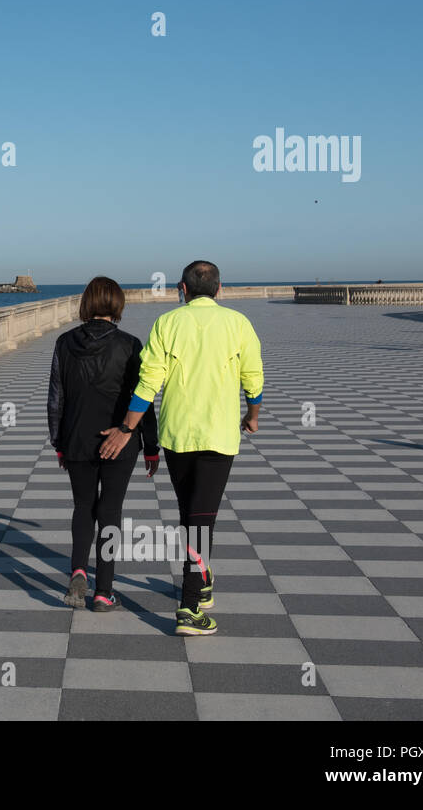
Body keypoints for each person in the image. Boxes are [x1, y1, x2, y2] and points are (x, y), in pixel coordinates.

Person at [97, 261, 264, 636]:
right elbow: (254, 379)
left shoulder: (167, 324)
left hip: (178, 436)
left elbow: (147, 384)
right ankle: (189, 608)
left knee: (194, 513)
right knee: (200, 517)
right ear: (220, 289)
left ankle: (201, 580)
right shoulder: (239, 324)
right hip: (218, 437)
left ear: (182, 289)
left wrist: (128, 426)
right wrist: (253, 415)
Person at [48, 276, 159, 611]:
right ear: (117, 304)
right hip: (121, 441)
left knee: (83, 507)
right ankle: (103, 591)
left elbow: (56, 399)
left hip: (77, 439)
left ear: (86, 304)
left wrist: (59, 442)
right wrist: (151, 445)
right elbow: (144, 399)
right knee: (110, 511)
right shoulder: (130, 344)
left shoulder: (64, 343)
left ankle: (78, 570)